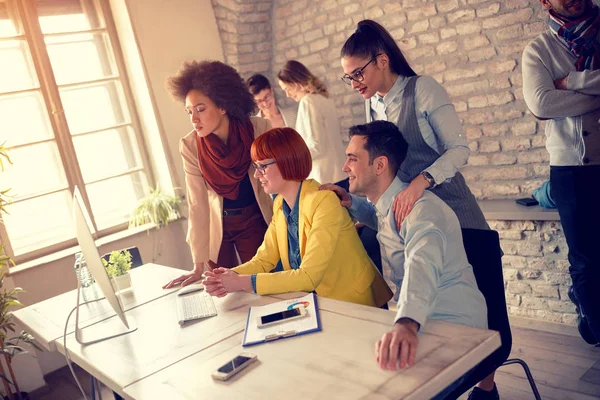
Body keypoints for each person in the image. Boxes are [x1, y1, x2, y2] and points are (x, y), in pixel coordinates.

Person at [321, 121, 487, 400]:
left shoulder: (422, 211)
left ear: (379, 165)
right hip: (423, 319)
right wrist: (351, 202)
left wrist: (406, 322)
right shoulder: (391, 204)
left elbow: (422, 265)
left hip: (454, 325)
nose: (344, 168)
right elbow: (381, 218)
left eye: (352, 159)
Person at [202, 127, 392, 308]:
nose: (257, 174)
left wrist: (241, 282)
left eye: (263, 166)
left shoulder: (323, 201)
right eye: (255, 166)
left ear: (286, 161)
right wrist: (229, 275)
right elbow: (264, 259)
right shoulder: (280, 204)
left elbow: (308, 276)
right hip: (315, 303)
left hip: (355, 304)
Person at [340, 20, 488, 232]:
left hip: (455, 214)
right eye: (349, 77)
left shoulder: (423, 89)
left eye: (358, 74)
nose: (354, 84)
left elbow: (459, 150)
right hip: (414, 223)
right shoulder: (371, 106)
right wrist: (356, 204)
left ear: (382, 61)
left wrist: (421, 182)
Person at [522, 0, 600, 345]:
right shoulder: (539, 49)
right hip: (571, 168)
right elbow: (541, 104)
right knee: (585, 259)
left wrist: (572, 82)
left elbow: (555, 99)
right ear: (544, 2)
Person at [162, 61, 273, 289]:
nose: (194, 119)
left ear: (223, 105)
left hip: (254, 220)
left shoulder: (260, 129)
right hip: (217, 226)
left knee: (260, 285)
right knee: (222, 293)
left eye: (200, 109)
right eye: (189, 111)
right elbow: (197, 204)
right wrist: (197, 263)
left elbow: (282, 179)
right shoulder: (190, 145)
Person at [277, 60, 346, 184]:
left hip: (325, 178)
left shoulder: (308, 102)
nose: (287, 95)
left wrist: (292, 160)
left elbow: (316, 146)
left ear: (296, 83)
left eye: (287, 89)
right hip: (340, 173)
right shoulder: (324, 99)